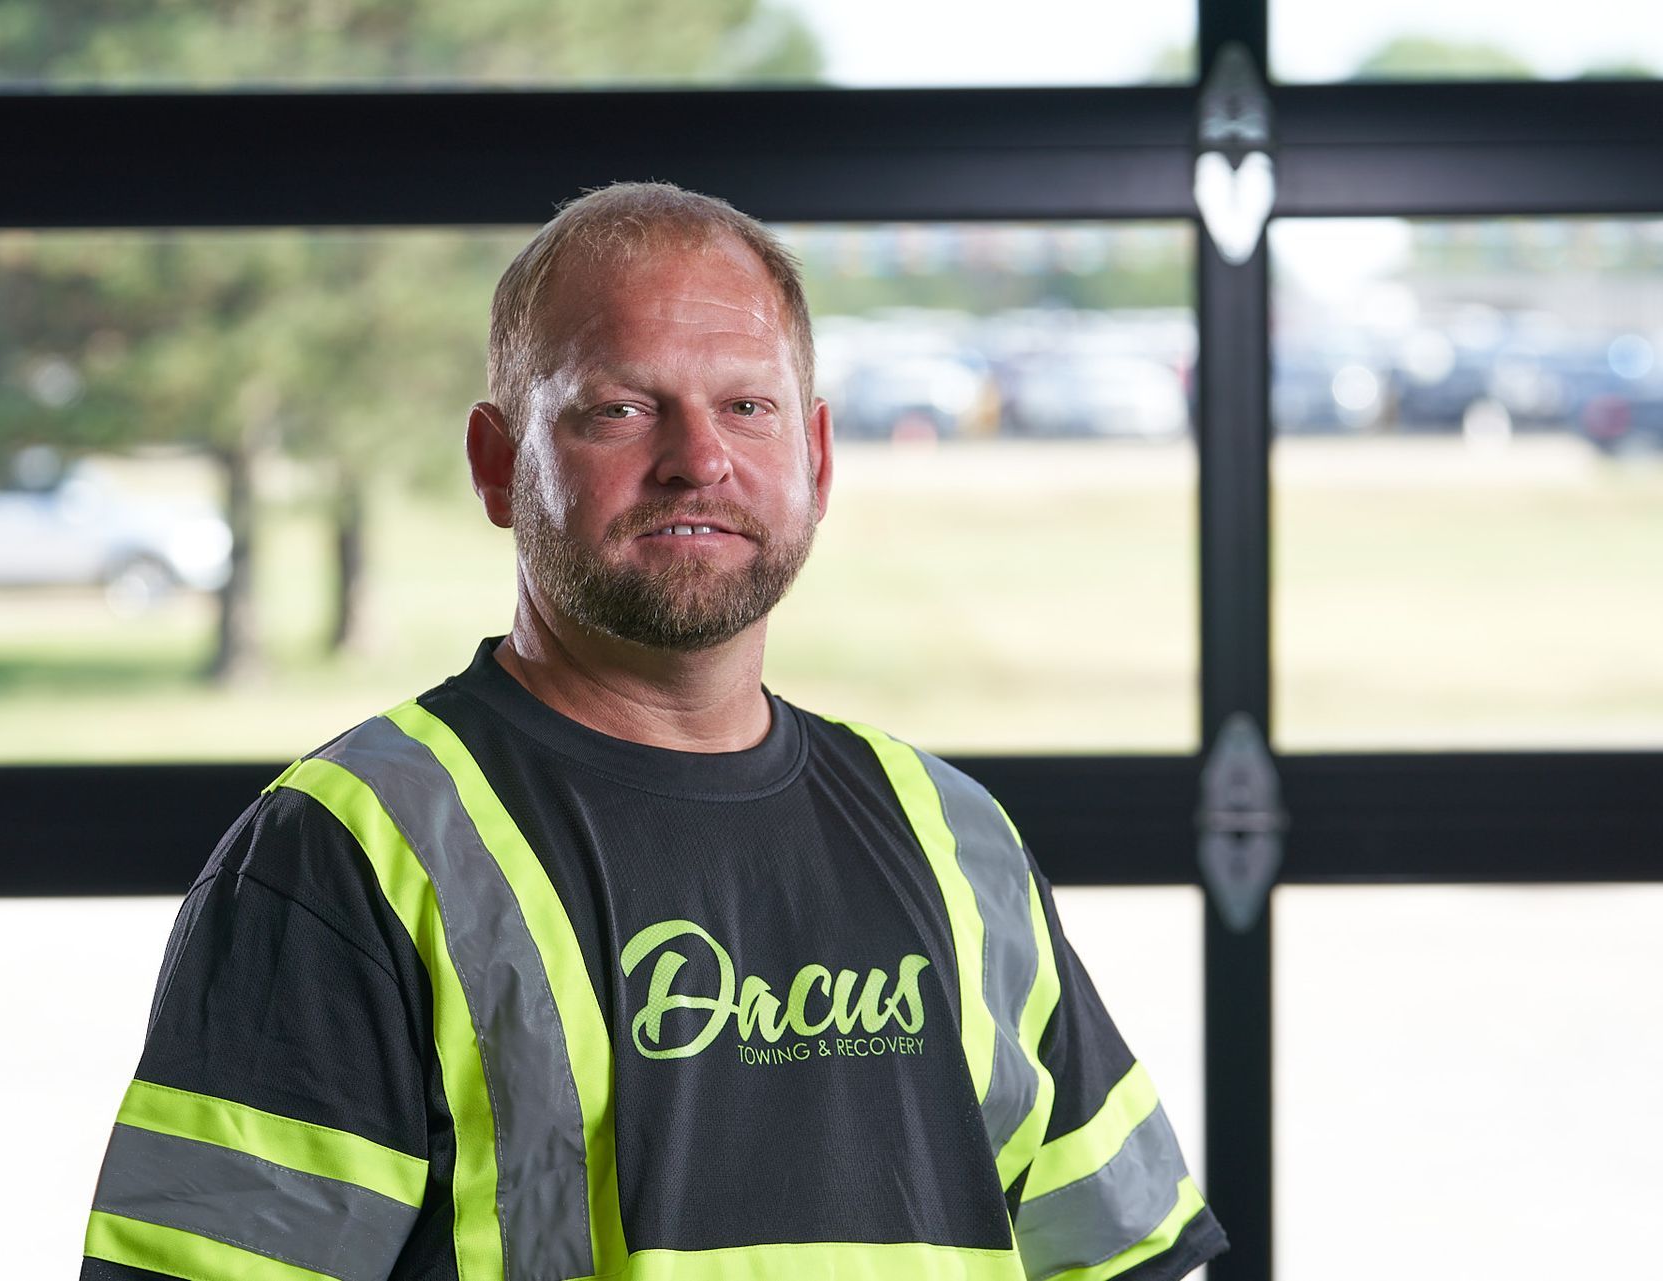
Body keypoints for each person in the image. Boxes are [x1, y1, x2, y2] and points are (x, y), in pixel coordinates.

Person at [80, 182, 1228, 1281]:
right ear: (497, 466)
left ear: (816, 459)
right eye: (620, 409)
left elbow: (1118, 1256)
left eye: (747, 406)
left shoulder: (955, 837)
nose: (698, 459)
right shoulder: (349, 855)